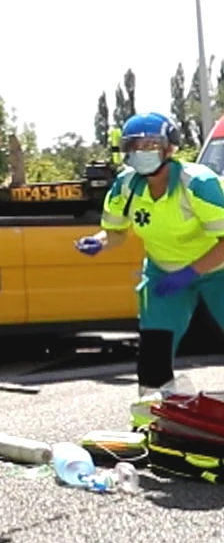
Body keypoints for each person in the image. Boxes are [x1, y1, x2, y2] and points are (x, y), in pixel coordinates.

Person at [76, 111, 224, 425]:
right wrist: (99, 241)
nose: (142, 152)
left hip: (217, 269)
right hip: (163, 271)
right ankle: (152, 420)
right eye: (134, 146)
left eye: (151, 144)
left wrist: (191, 273)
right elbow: (116, 232)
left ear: (170, 147)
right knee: (155, 345)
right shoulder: (126, 186)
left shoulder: (198, 184)